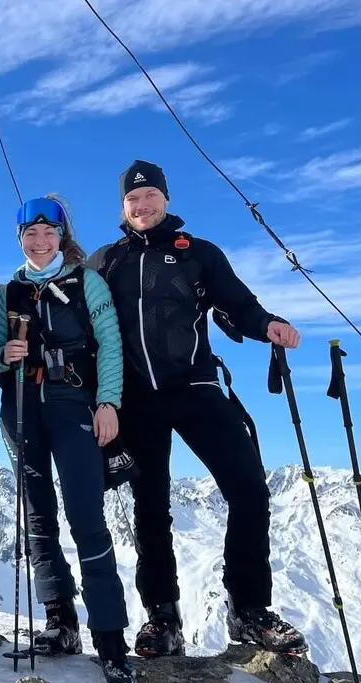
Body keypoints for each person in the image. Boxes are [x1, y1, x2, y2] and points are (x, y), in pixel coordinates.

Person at [85, 160, 307, 657]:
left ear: (165, 199)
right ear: (123, 207)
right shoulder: (106, 261)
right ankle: (162, 617)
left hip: (195, 387)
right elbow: (83, 324)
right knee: (150, 509)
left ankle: (248, 609)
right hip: (136, 399)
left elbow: (239, 305)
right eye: (132, 199)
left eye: (150, 196)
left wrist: (267, 324)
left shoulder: (198, 254)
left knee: (248, 488)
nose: (142, 205)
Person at [0, 194, 135, 683]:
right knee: (37, 517)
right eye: (31, 233)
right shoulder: (8, 292)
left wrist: (108, 402)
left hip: (74, 403)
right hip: (22, 407)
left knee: (87, 516)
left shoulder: (86, 281)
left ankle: (111, 639)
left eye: (49, 232)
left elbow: (110, 343)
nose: (40, 240)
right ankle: (60, 623)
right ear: (21, 239)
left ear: (62, 235)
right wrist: (3, 353)